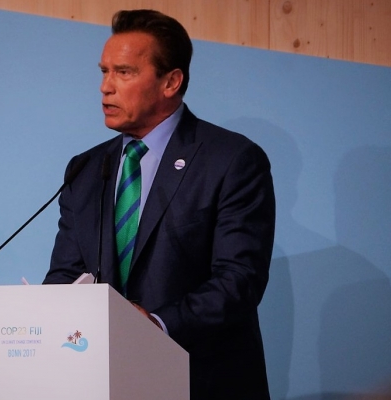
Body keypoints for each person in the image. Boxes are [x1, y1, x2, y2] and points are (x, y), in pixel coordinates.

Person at [43, 9, 275, 400]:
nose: (105, 87)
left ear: (171, 82)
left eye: (124, 72)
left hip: (200, 380)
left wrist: (157, 324)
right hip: (103, 381)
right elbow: (66, 273)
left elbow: (240, 279)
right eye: (104, 71)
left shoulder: (231, 160)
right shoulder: (86, 168)